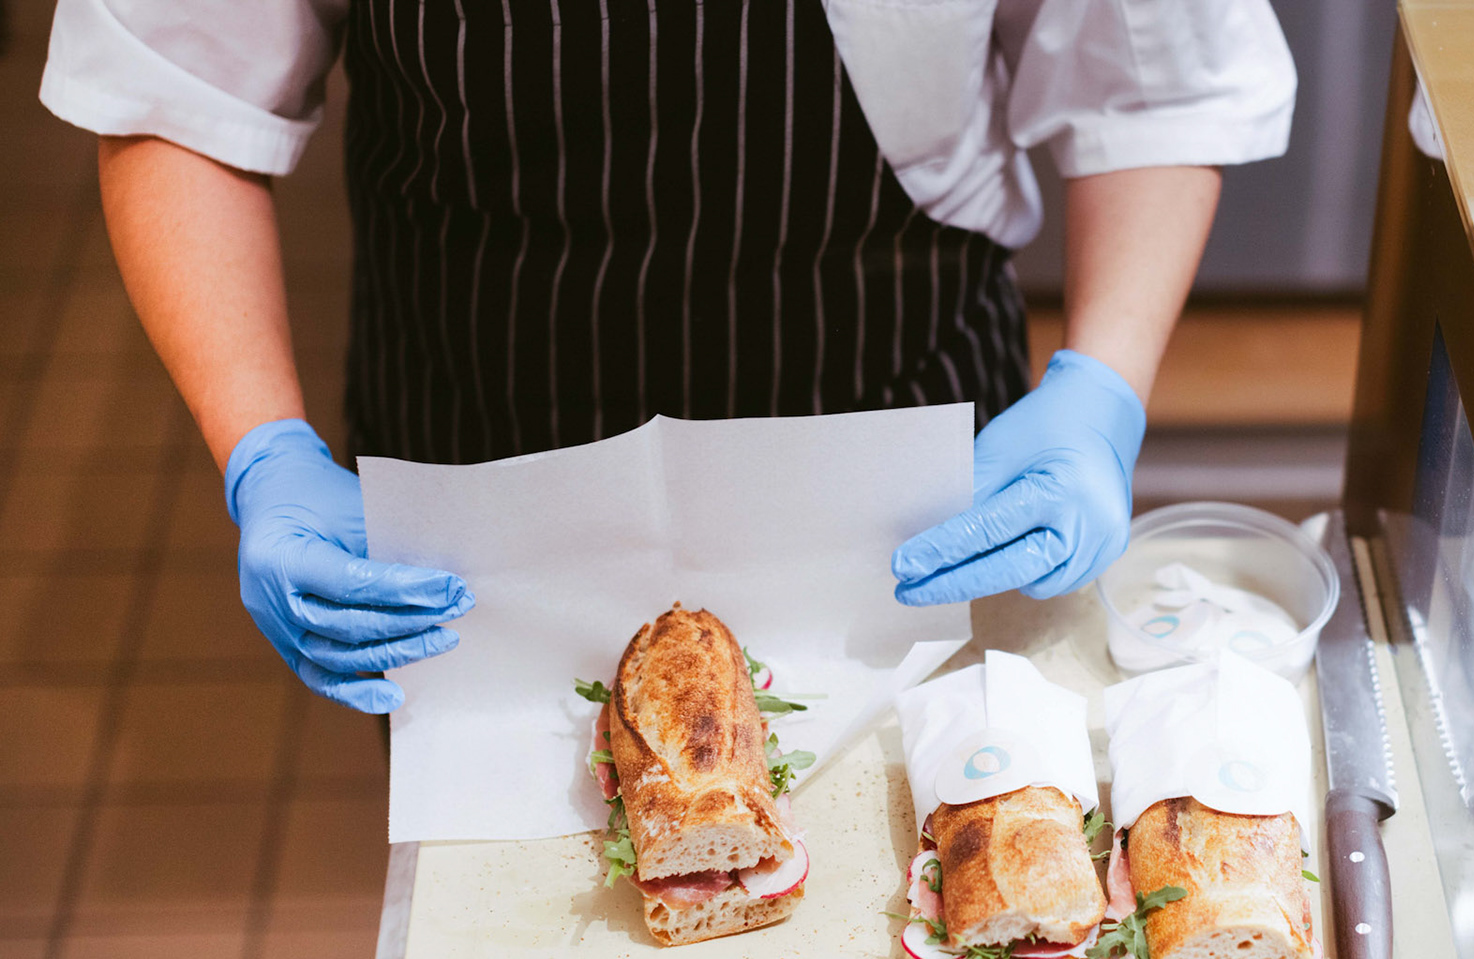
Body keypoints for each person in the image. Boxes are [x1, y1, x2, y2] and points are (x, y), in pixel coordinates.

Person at [41, 0, 1298, 712]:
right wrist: (263, 451)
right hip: (489, 477)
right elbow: (172, 98)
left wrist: (1100, 391)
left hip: (900, 462)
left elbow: (1150, 79)